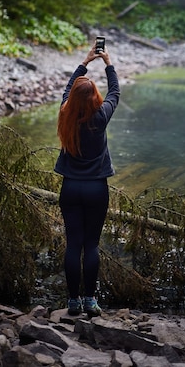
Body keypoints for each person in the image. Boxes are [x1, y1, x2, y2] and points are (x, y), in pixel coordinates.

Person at [55, 40, 120, 317]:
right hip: (96, 189)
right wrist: (108, 63)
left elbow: (69, 90)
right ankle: (91, 301)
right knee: (91, 245)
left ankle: (72, 302)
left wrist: (84, 62)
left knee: (73, 245)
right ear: (95, 98)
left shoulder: (65, 114)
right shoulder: (101, 116)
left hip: (70, 188)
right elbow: (115, 91)